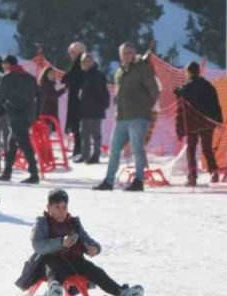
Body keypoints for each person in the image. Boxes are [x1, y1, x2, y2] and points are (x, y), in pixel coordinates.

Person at [16, 189, 144, 296]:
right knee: (54, 269)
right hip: (49, 261)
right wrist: (61, 242)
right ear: (48, 207)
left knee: (96, 272)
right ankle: (54, 292)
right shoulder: (42, 223)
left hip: (74, 261)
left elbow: (86, 238)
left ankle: (122, 294)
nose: (61, 211)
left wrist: (95, 248)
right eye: (57, 207)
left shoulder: (73, 223)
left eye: (64, 207)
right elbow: (38, 245)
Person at [95, 42, 161, 192]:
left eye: (130, 52)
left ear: (135, 53)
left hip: (139, 116)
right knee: (114, 149)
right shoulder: (119, 72)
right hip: (122, 117)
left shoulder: (143, 68)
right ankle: (108, 181)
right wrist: (117, 102)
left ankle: (138, 181)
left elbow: (155, 90)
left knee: (137, 149)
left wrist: (147, 107)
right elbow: (118, 92)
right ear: (120, 55)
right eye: (125, 52)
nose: (128, 55)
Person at [0, 54, 39, 184]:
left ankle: (34, 173)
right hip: (28, 114)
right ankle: (7, 172)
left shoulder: (7, 78)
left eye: (4, 64)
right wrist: (37, 114)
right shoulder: (30, 78)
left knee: (24, 143)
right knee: (12, 143)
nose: (3, 66)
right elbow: (39, 94)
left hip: (15, 113)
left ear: (8, 64)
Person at [174, 61, 223, 186]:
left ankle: (192, 176)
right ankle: (214, 171)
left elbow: (180, 111)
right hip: (207, 123)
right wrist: (219, 121)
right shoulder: (209, 86)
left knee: (191, 150)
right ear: (199, 71)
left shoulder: (185, 89)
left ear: (188, 72)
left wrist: (179, 129)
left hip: (192, 125)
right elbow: (216, 105)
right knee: (207, 149)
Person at [76, 53, 109, 164]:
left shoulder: (98, 75)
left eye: (88, 61)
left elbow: (104, 92)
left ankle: (95, 156)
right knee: (84, 134)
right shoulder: (82, 75)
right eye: (84, 61)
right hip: (84, 109)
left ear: (93, 62)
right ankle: (85, 155)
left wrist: (103, 105)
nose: (86, 63)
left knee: (95, 134)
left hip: (95, 109)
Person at [63, 42, 87, 160]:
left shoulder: (78, 66)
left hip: (78, 100)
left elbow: (68, 77)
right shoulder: (80, 66)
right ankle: (78, 150)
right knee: (78, 127)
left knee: (78, 126)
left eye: (72, 52)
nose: (70, 55)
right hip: (77, 99)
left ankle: (79, 151)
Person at [38, 65, 66, 133]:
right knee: (45, 134)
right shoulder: (45, 85)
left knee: (47, 134)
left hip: (49, 114)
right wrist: (62, 90)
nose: (53, 75)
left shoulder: (50, 85)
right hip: (45, 114)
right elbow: (51, 96)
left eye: (54, 74)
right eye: (50, 73)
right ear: (46, 75)